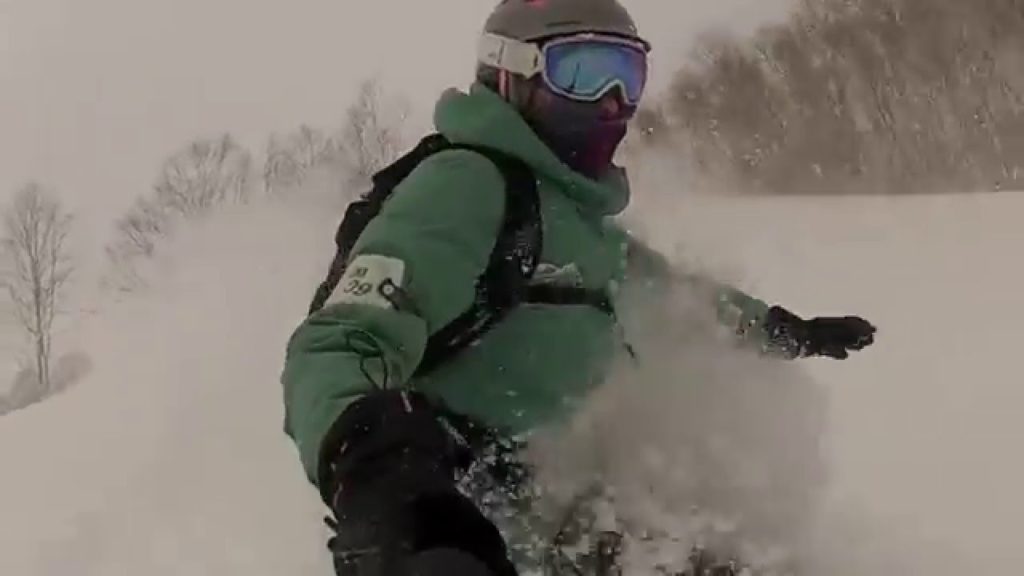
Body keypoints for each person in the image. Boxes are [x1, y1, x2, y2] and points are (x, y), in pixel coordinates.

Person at [279, 1, 877, 574]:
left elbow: (680, 301)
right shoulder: (466, 183)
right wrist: (390, 490)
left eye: (628, 74)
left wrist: (779, 327)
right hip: (471, 522)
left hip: (571, 521)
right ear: (510, 75)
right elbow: (337, 345)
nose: (613, 101)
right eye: (584, 72)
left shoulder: (575, 221)